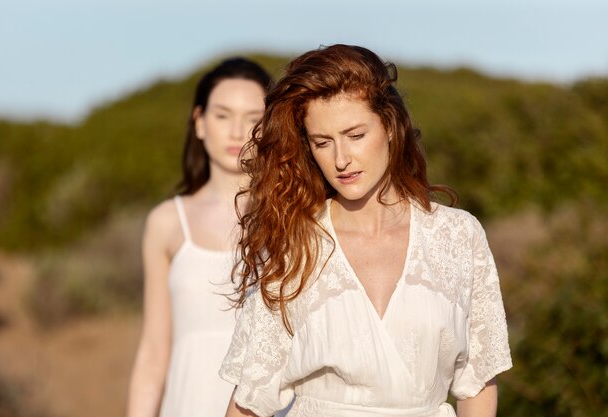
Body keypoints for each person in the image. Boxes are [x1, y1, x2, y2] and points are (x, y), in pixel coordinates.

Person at [220, 45, 512, 417]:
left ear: (390, 127)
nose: (341, 159)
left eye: (355, 135)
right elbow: (250, 400)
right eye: (322, 142)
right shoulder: (296, 243)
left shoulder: (458, 236)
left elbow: (478, 382)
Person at [126, 57, 272, 417]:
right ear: (200, 122)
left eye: (253, 119)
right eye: (223, 115)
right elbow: (153, 351)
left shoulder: (294, 217)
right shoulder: (166, 222)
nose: (238, 131)